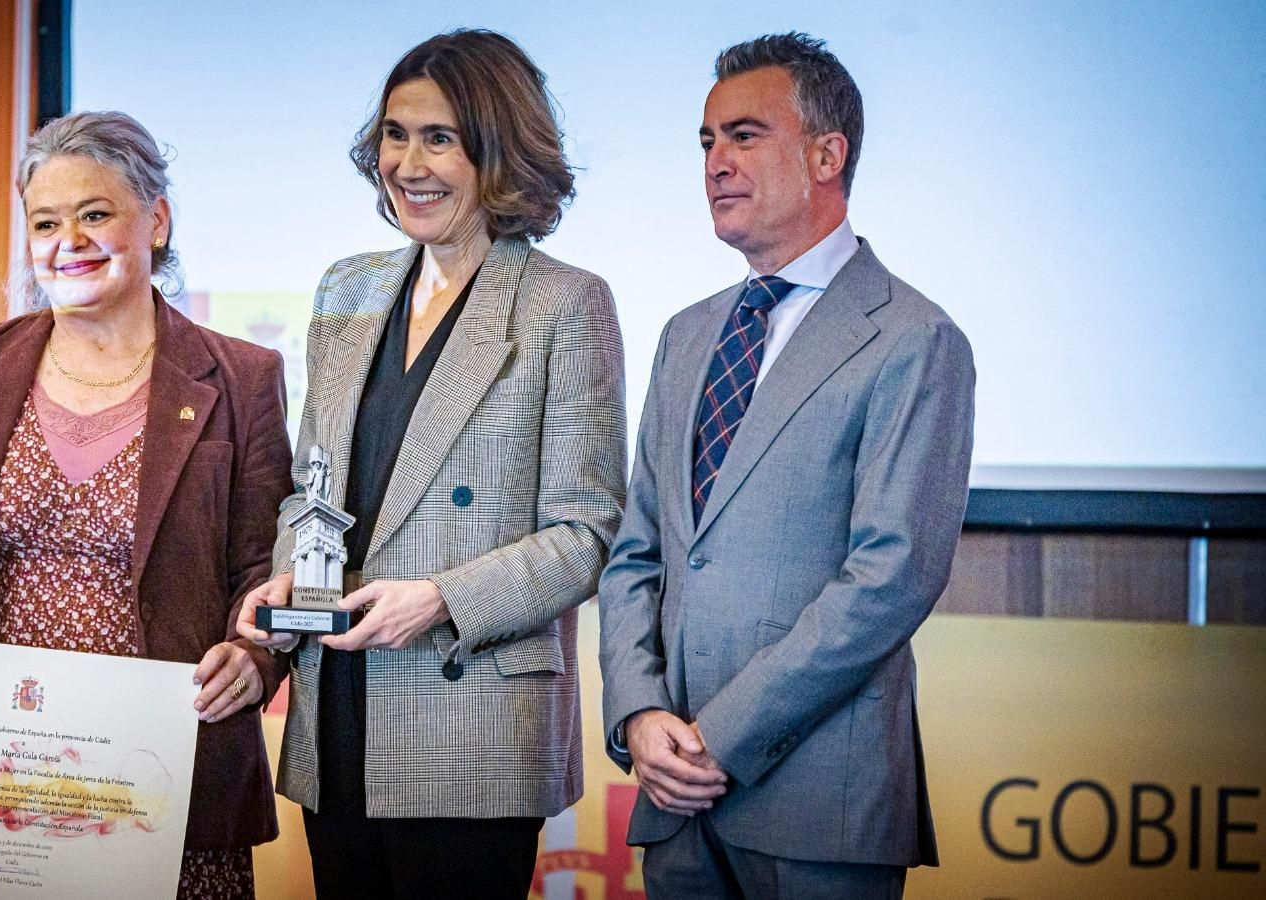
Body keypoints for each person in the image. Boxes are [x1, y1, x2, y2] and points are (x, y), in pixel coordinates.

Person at [0, 111, 293, 899]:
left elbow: (263, 565)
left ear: (157, 219)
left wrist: (256, 658)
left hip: (159, 781)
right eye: (46, 221)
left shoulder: (239, 376)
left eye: (95, 214)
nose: (67, 241)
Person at [236, 28, 627, 900]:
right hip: (336, 711)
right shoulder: (348, 289)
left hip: (470, 724)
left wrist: (442, 600)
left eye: (440, 138)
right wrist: (278, 589)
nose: (408, 163)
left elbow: (589, 532)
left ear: (499, 151)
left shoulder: (567, 303)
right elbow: (314, 492)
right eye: (395, 134)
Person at [599, 32, 976, 899]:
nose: (716, 162)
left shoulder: (915, 339)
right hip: (675, 803)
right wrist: (640, 713)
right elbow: (639, 551)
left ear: (825, 153)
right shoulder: (688, 334)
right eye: (706, 142)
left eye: (743, 135)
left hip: (820, 807)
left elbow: (892, 576)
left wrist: (719, 738)